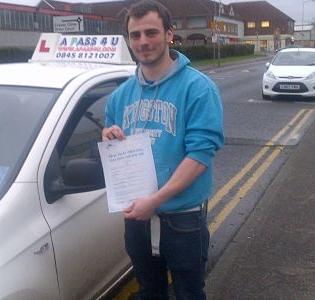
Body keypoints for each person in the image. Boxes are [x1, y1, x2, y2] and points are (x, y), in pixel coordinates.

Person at [101, 0, 224, 299]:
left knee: (189, 293)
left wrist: (154, 200)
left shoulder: (198, 88)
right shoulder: (119, 97)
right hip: (137, 218)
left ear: (169, 34)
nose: (143, 42)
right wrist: (110, 136)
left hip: (182, 219)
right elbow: (112, 146)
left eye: (151, 32)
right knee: (149, 290)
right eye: (135, 35)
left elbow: (199, 156)